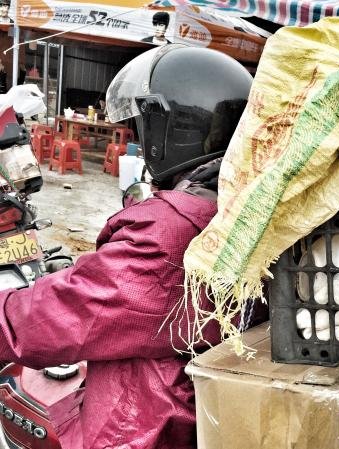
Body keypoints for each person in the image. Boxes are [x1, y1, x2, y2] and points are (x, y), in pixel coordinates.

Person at [0, 44, 253, 448]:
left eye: (143, 128)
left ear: (173, 132)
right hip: (187, 408)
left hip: (140, 430)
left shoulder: (172, 234)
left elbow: (61, 313)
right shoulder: (237, 204)